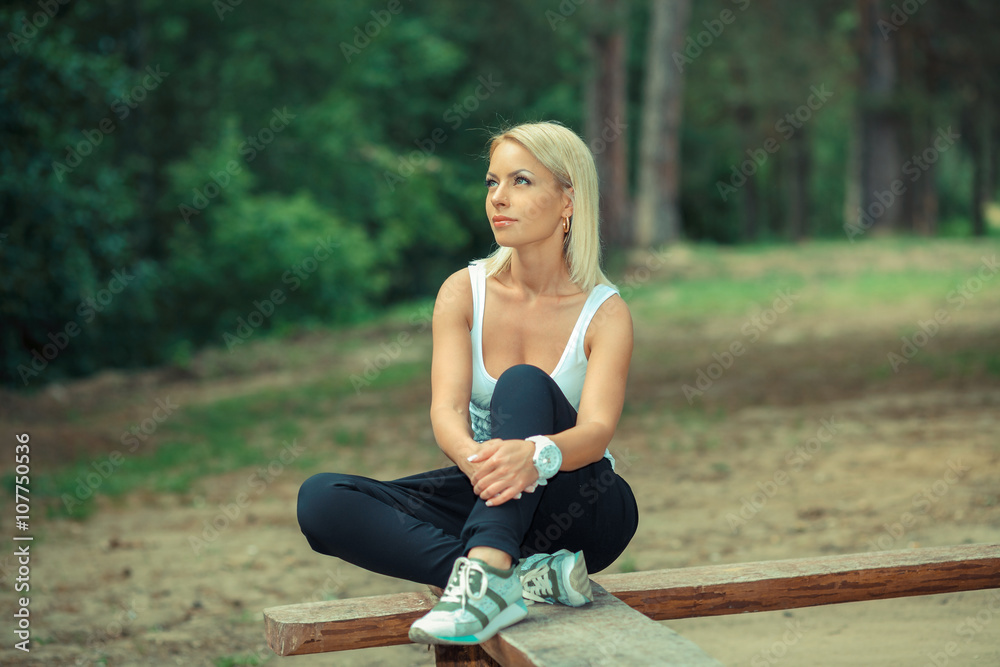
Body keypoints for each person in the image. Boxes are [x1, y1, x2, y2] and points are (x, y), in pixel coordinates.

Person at [296, 121, 639, 646]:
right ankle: (512, 578)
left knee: (522, 383)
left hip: (584, 504)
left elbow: (595, 431)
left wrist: (536, 456)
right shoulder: (464, 291)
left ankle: (484, 576)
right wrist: (484, 462)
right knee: (321, 500)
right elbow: (447, 415)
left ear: (567, 199)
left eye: (520, 181)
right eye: (491, 182)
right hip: (497, 489)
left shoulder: (604, 312)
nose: (498, 198)